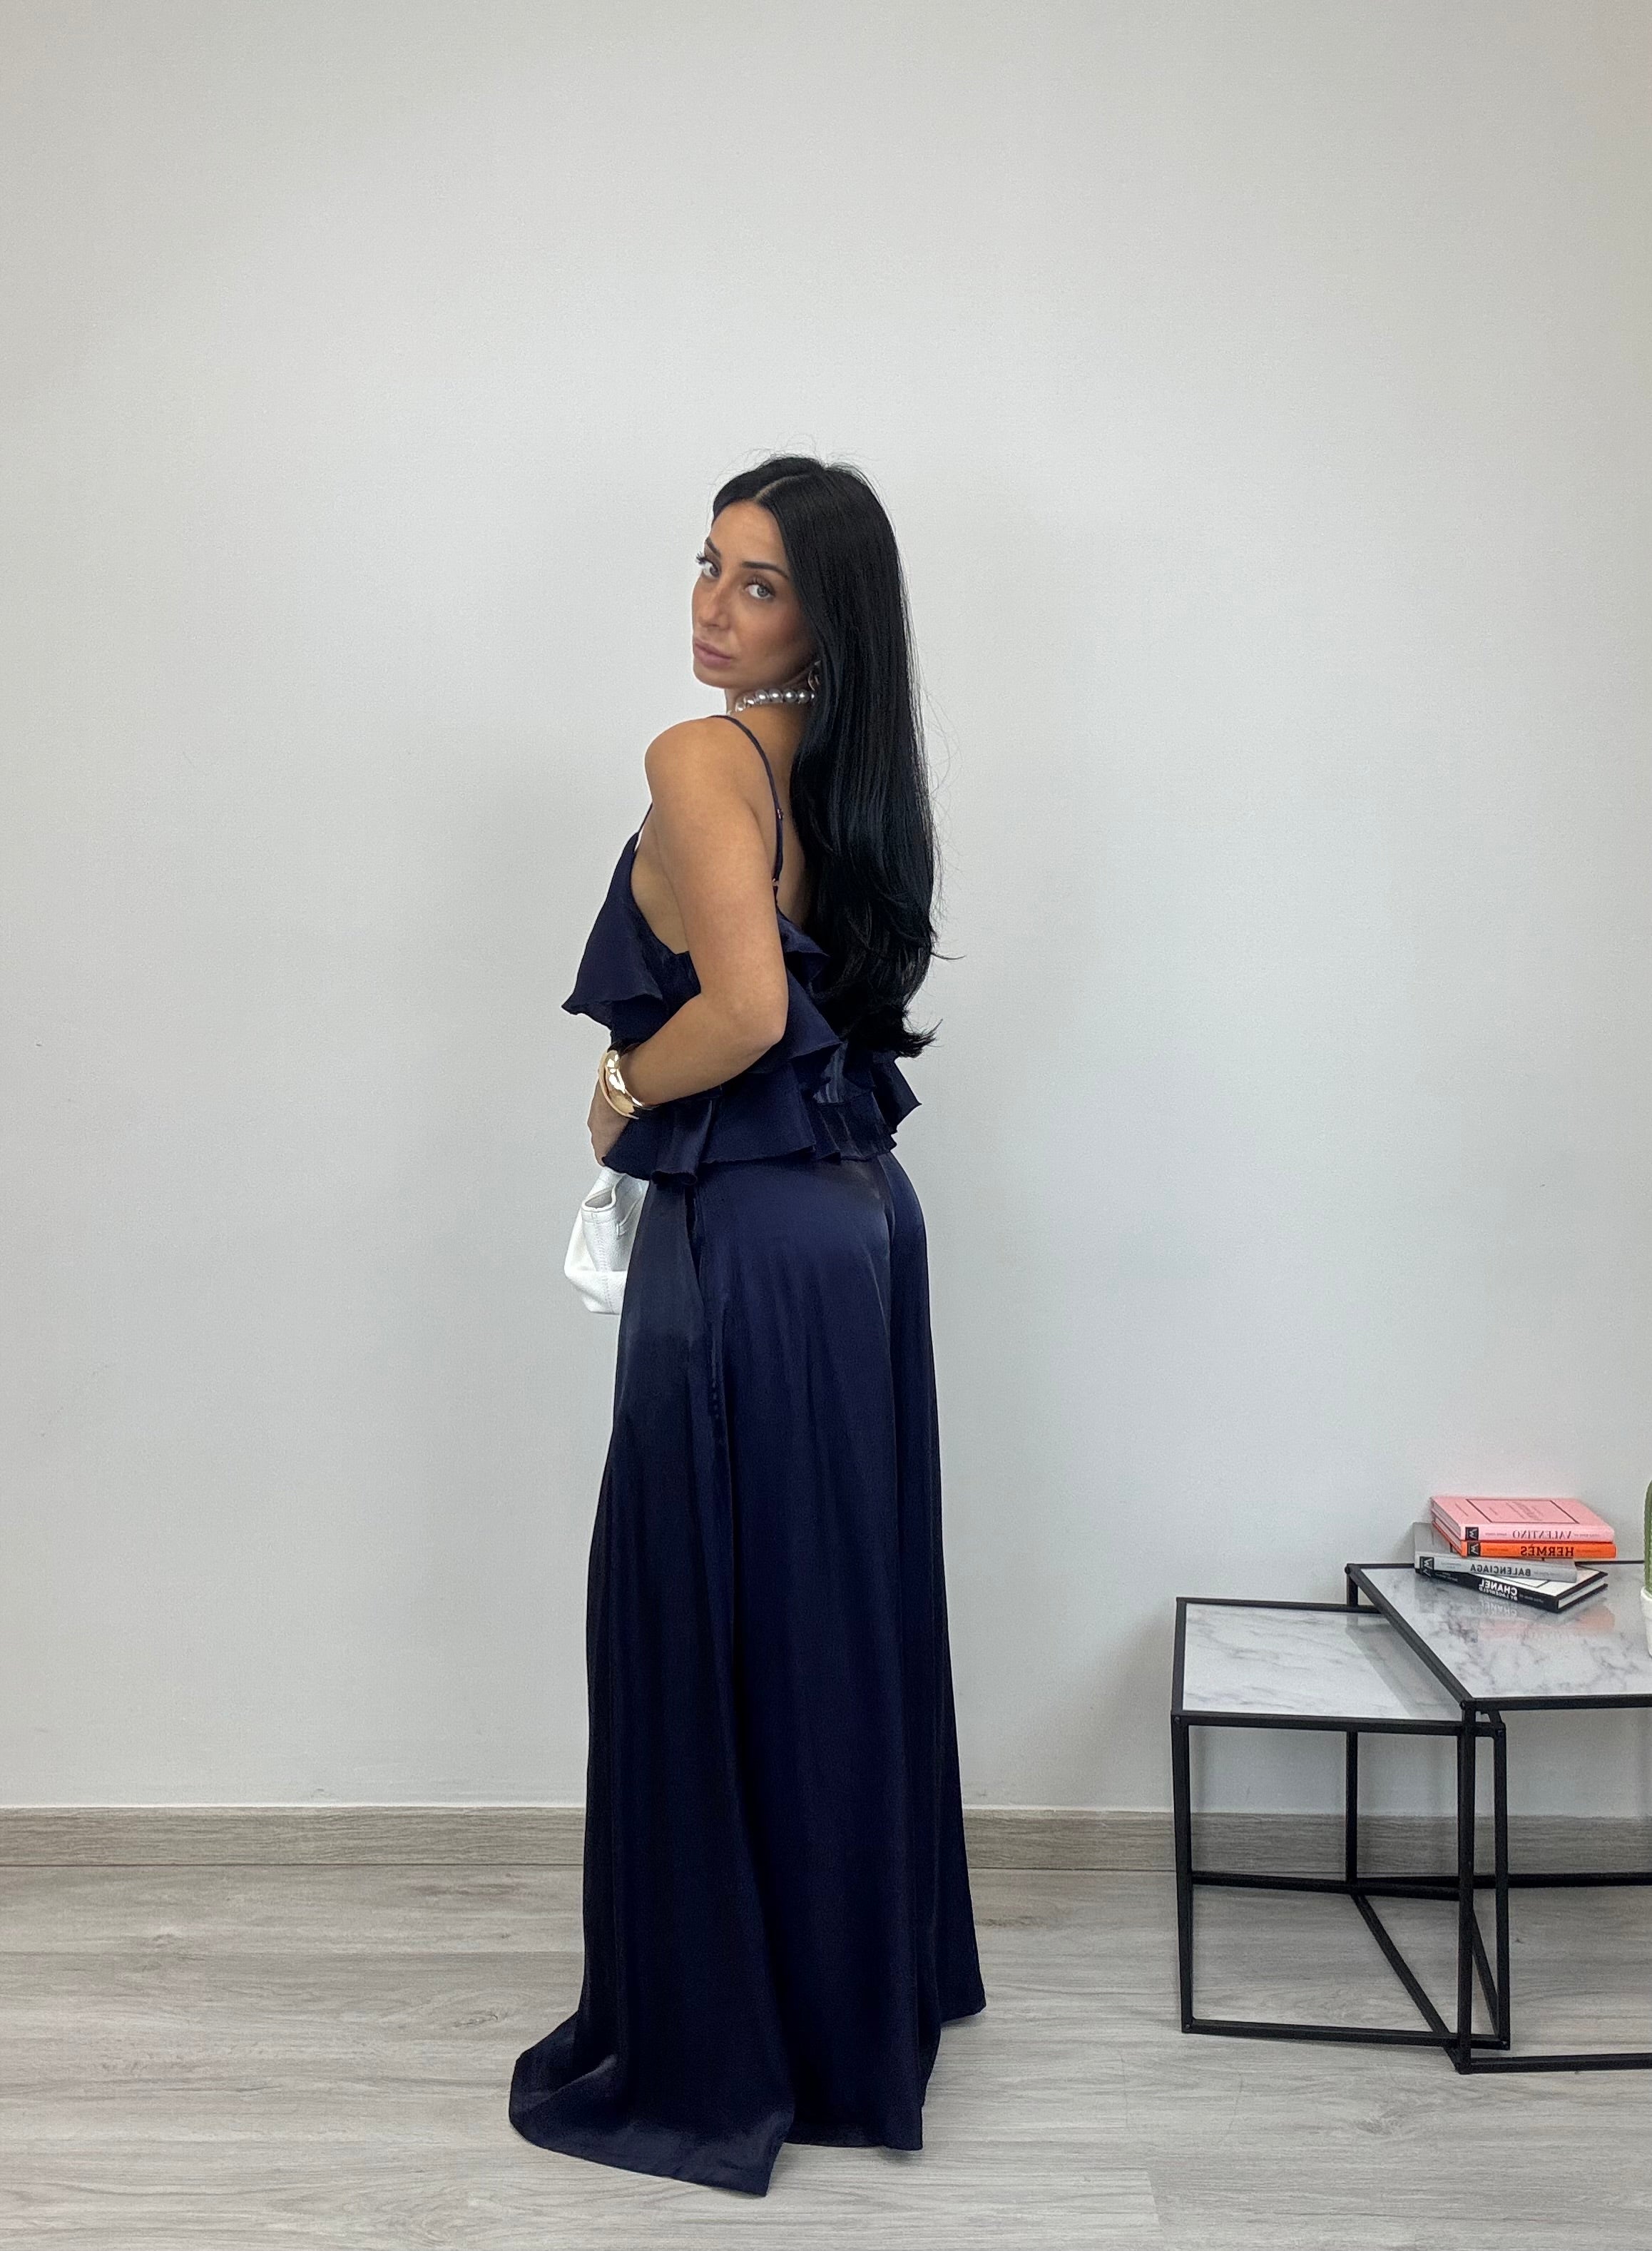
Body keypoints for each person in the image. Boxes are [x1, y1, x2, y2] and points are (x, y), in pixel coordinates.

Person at [508, 454, 986, 2197]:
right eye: (708, 566)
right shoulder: (854, 782)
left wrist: (623, 1085)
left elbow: (750, 1009)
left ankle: (735, 2037)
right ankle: (850, 2010)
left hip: (756, 1238)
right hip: (858, 1222)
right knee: (829, 1609)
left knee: (703, 1604)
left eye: (760, 584)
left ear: (823, 617)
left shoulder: (701, 761)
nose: (714, 607)